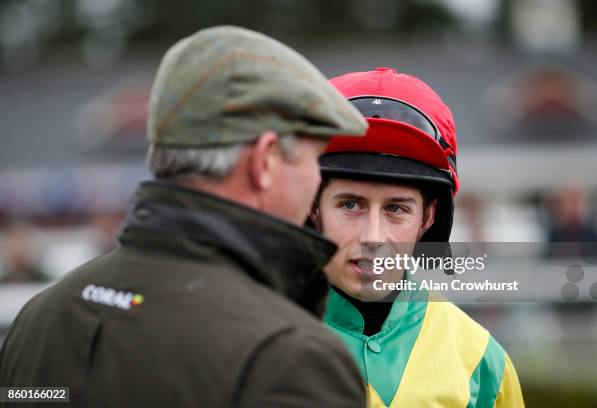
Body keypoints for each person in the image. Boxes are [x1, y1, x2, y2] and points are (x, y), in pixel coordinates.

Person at [0, 26, 368, 407]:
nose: (316, 178)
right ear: (264, 161)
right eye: (312, 159)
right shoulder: (290, 357)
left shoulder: (40, 318)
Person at [310, 67, 525, 407]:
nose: (373, 236)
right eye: (351, 204)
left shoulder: (482, 364)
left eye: (396, 209)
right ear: (313, 207)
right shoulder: (248, 341)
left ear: (428, 218)